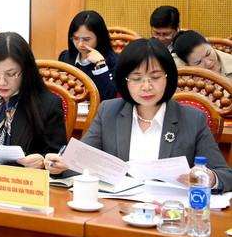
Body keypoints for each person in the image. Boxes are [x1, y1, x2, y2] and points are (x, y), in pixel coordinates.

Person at [46, 38, 232, 193]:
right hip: (116, 214)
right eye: (136, 79)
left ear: (169, 78)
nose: (146, 86)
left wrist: (208, 178)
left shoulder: (193, 118)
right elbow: (77, 163)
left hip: (170, 215)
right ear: (124, 81)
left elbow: (225, 175)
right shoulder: (108, 112)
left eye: (156, 77)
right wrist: (58, 165)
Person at [0, 32, 67, 168]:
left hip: (24, 183)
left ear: (25, 71)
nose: (1, 82)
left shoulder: (48, 104)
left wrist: (42, 161)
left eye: (11, 74)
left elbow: (58, 157)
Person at [58, 10, 118, 100]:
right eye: (76, 38)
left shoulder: (114, 61)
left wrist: (101, 65)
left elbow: (109, 97)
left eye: (86, 39)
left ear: (99, 38)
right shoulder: (65, 57)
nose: (80, 44)